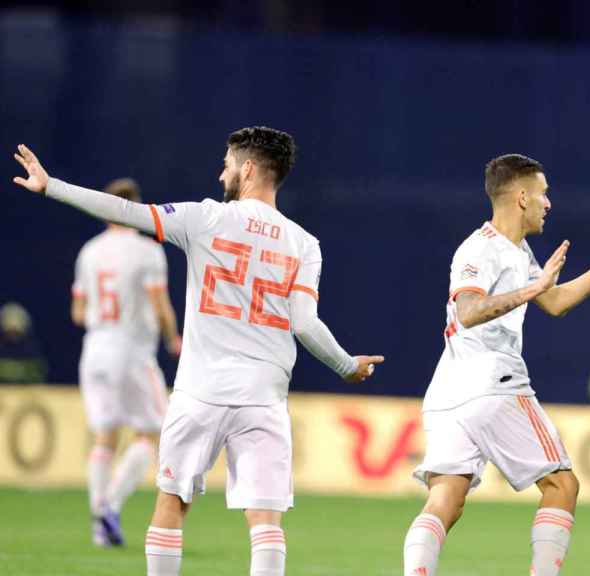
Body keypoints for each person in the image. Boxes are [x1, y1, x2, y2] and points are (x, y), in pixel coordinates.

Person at [12, 128, 384, 576]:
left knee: (172, 502)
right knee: (265, 519)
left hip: (199, 391)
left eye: (227, 162)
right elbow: (304, 323)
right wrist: (345, 366)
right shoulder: (304, 244)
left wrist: (52, 186)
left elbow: (126, 212)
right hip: (263, 396)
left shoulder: (205, 218)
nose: (220, 171)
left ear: (247, 169)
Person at [402, 154, 590, 576]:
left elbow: (557, 300)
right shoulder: (481, 248)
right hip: (492, 382)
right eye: (544, 193)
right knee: (562, 485)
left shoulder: (518, 251)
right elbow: (470, 310)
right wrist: (531, 289)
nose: (549, 203)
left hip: (449, 391)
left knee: (447, 498)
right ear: (522, 196)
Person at [71, 177, 182, 547]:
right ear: (134, 207)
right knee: (153, 432)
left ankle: (97, 522)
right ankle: (110, 506)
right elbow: (159, 303)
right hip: (131, 349)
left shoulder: (89, 250)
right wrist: (173, 337)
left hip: (94, 349)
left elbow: (78, 311)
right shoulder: (146, 251)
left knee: (104, 436)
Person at [0, 302, 48, 383]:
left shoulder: (32, 350)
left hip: (27, 393)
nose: (12, 334)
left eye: (16, 332)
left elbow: (38, 375)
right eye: (9, 331)